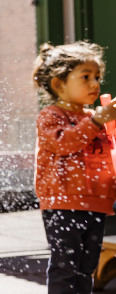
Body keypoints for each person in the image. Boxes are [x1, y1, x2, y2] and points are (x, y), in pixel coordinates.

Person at [33, 41, 116, 294]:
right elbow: (64, 143)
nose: (94, 83)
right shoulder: (51, 116)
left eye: (97, 77)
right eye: (86, 77)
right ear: (59, 84)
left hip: (96, 203)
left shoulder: (94, 116)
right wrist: (97, 120)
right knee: (64, 267)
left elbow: (107, 156)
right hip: (63, 203)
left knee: (86, 268)